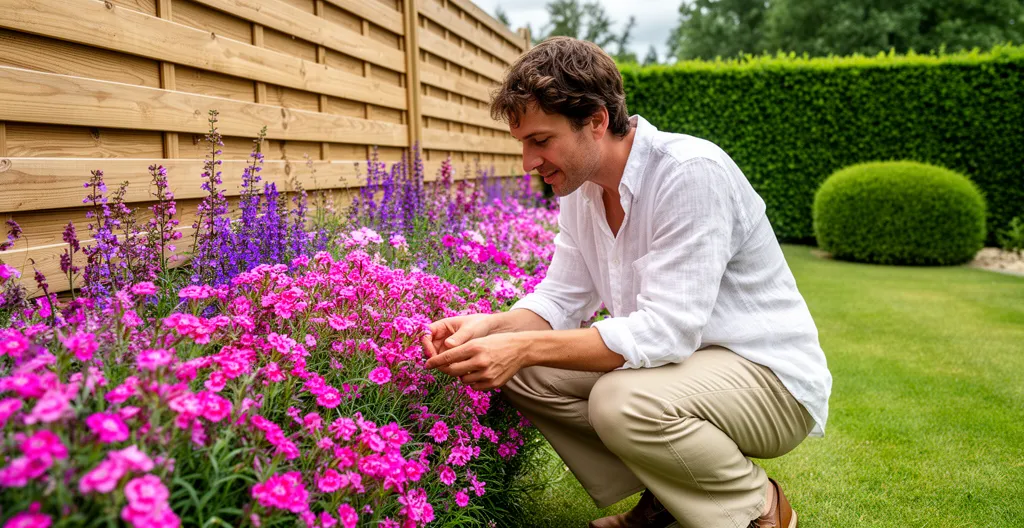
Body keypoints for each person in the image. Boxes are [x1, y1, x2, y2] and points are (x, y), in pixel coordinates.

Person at [421, 36, 831, 528]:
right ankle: (668, 500)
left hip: (769, 381)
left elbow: (667, 331)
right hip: (686, 369)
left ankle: (758, 508)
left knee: (617, 401)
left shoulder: (689, 173)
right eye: (523, 143)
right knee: (522, 369)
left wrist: (524, 346)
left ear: (596, 120)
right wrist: (494, 328)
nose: (528, 163)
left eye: (541, 140)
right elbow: (562, 296)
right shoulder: (581, 187)